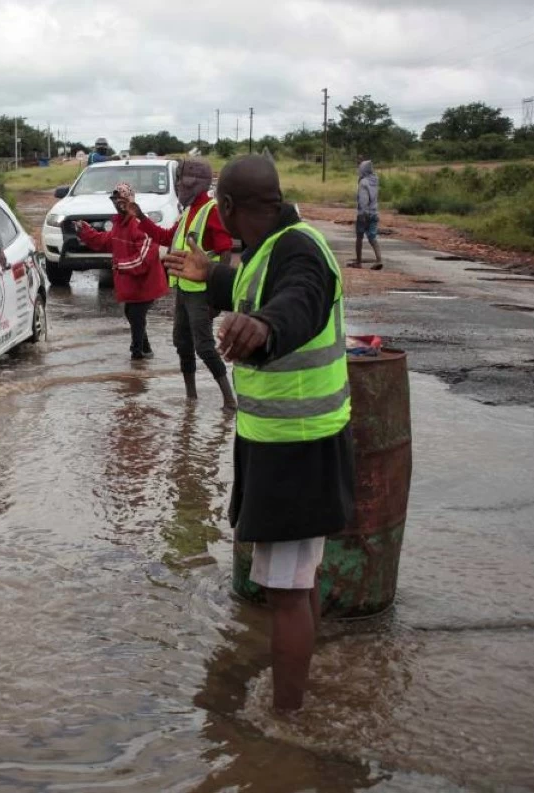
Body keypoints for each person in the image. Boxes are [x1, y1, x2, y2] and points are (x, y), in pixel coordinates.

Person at [163, 155, 355, 711]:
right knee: (299, 580)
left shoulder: (301, 249)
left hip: (300, 447)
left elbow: (299, 301)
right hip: (279, 442)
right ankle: (302, 689)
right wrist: (213, 277)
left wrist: (266, 327)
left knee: (287, 592)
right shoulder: (267, 246)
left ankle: (286, 723)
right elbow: (255, 289)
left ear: (225, 208)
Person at [135, 158, 236, 409]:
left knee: (204, 346)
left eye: (182, 181)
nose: (179, 186)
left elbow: (225, 252)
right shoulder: (188, 211)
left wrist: (217, 297)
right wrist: (139, 216)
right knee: (182, 343)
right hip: (183, 289)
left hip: (202, 293)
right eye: (178, 181)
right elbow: (166, 236)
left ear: (196, 184)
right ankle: (191, 397)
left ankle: (229, 400)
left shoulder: (210, 210)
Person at [76, 182, 168, 359]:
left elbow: (143, 259)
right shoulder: (119, 224)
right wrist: (85, 232)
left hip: (146, 285)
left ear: (130, 201)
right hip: (132, 285)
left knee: (135, 314)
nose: (118, 204)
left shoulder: (141, 224)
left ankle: (137, 354)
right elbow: (105, 241)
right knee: (133, 314)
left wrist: (120, 265)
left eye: (122, 201)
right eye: (115, 201)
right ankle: (145, 351)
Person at [354, 158, 382, 270]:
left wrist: (362, 214)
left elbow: (363, 200)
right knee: (372, 237)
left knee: (359, 237)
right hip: (374, 212)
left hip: (364, 213)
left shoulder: (363, 182)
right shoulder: (375, 181)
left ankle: (358, 262)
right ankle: (379, 259)